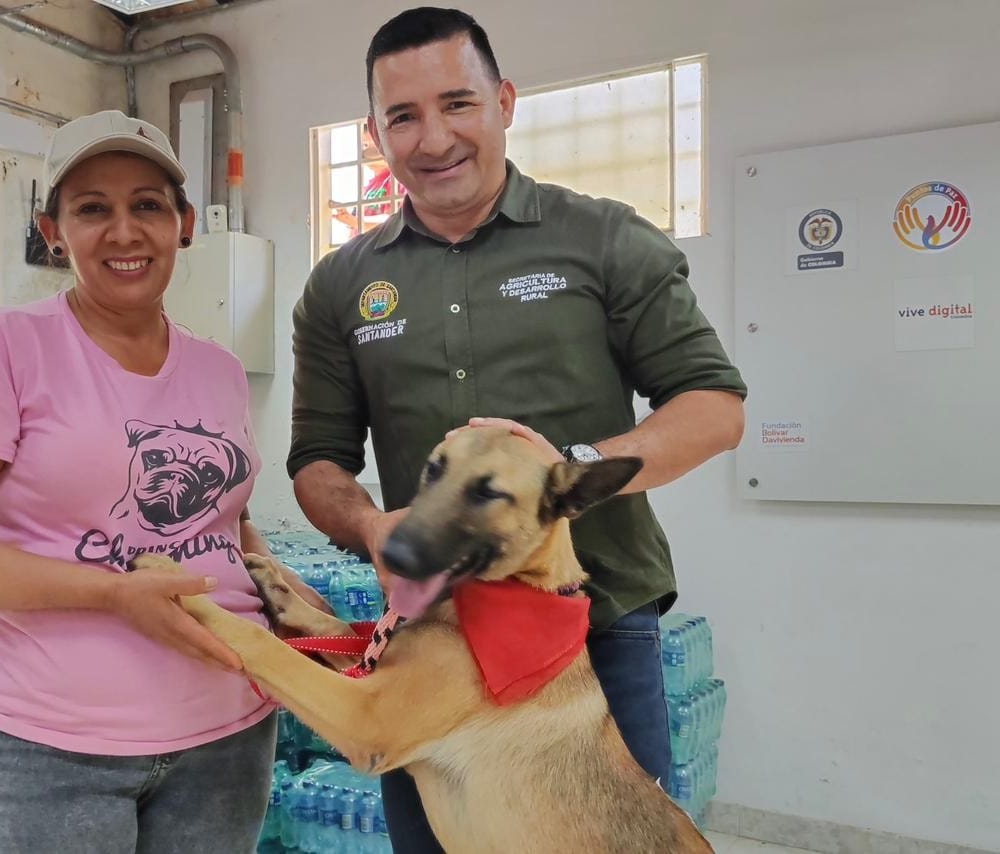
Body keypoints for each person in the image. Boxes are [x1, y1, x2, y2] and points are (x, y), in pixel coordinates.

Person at [287, 8, 747, 852]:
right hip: (432, 645)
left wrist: (568, 472)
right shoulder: (341, 286)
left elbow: (714, 407)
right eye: (403, 116)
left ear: (504, 101)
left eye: (458, 104)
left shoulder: (603, 238)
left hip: (596, 629)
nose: (434, 138)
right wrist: (367, 526)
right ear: (374, 133)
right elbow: (318, 460)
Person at [0, 110, 317, 853]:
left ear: (184, 225)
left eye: (146, 205)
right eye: (91, 209)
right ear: (52, 229)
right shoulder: (4, 347)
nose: (124, 231)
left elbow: (221, 528)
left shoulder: (219, 369)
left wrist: (288, 593)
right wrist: (113, 592)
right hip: (55, 749)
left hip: (229, 738)